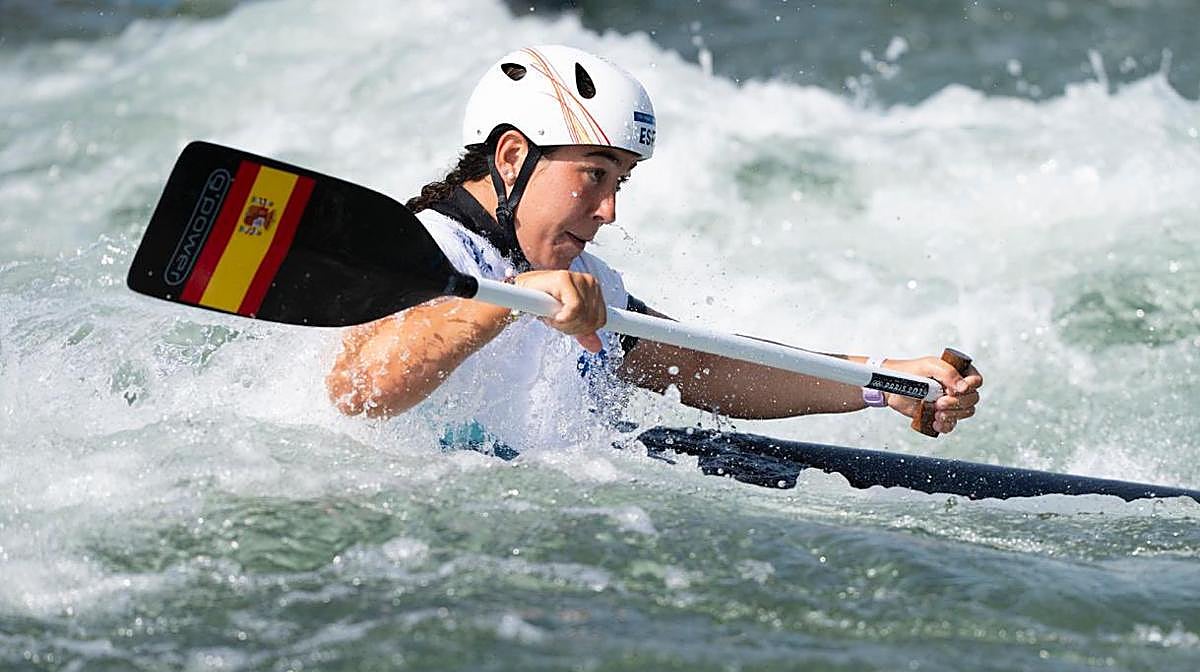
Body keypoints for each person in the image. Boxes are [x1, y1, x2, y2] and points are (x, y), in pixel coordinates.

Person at [327, 45, 982, 454]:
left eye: (619, 182)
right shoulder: (416, 245)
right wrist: (511, 300)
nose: (609, 210)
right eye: (594, 174)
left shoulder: (582, 279)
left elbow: (704, 365)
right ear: (512, 156)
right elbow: (358, 391)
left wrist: (882, 382)